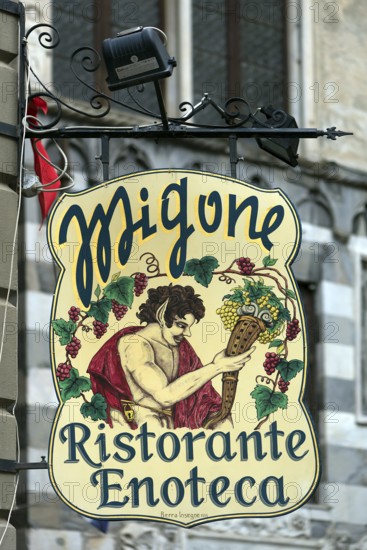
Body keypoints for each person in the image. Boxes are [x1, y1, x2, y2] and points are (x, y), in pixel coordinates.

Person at [88, 284, 254, 429]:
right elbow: (165, 396)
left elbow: (203, 395)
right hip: (143, 422)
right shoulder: (134, 344)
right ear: (161, 315)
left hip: (174, 424)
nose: (187, 333)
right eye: (181, 326)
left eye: (188, 327)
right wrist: (217, 367)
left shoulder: (180, 347)